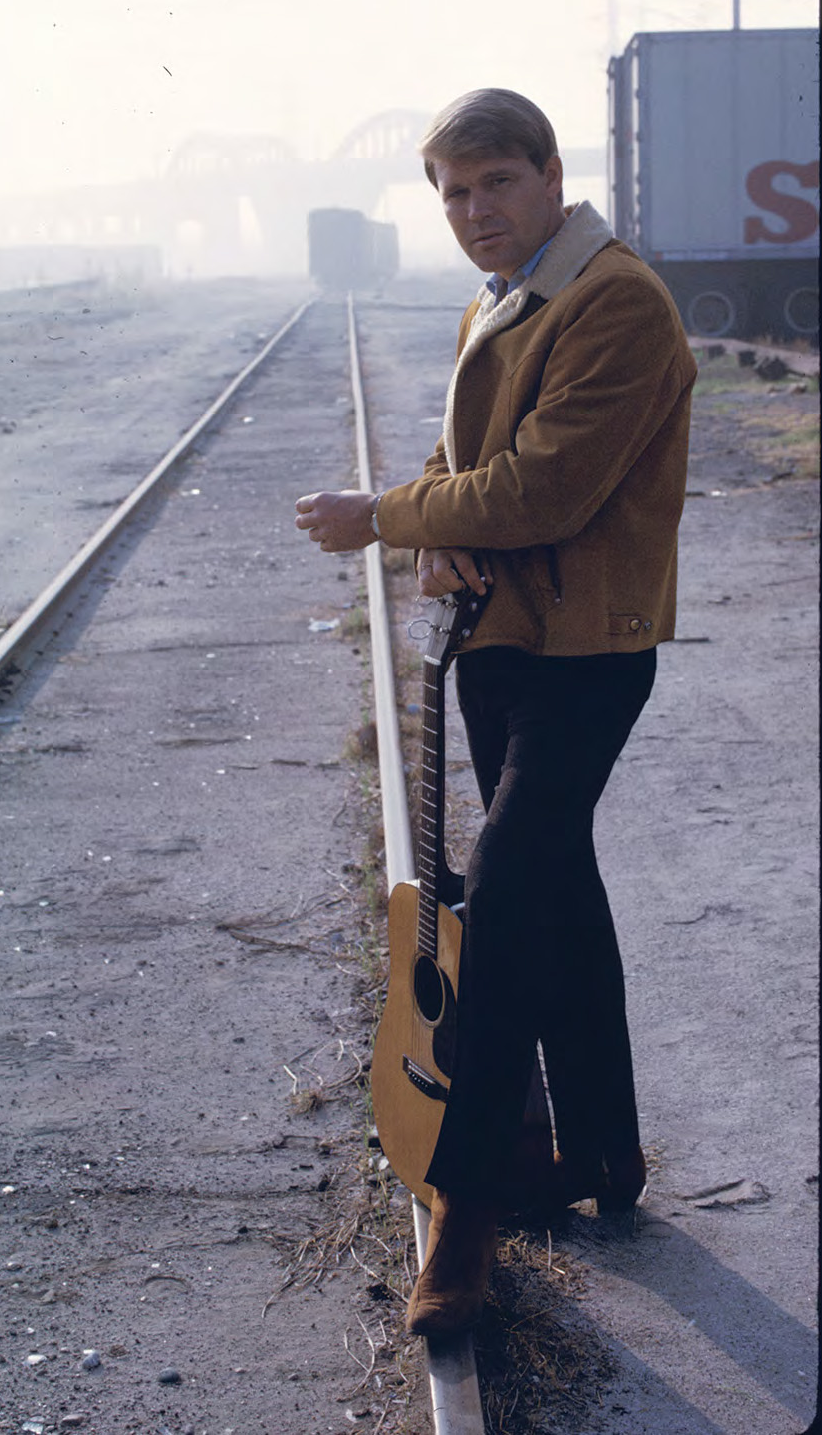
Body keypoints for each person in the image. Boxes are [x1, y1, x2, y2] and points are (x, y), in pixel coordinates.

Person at [295, 88, 697, 1339]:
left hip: (587, 650)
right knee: (553, 893)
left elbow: (538, 489)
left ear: (549, 174)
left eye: (495, 186)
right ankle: (604, 1154)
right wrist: (429, 530)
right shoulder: (502, 293)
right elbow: (458, 464)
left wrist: (387, 521)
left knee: (509, 888)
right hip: (500, 650)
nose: (474, 213)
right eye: (453, 195)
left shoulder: (613, 299)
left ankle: (465, 1211)